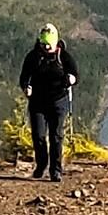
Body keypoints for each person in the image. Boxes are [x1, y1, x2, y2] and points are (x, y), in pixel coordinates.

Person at [18, 23, 77, 180]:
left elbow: (74, 73)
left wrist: (71, 79)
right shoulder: (33, 57)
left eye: (49, 45)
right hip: (38, 102)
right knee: (38, 135)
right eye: (44, 45)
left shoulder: (63, 56)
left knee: (56, 135)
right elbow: (24, 76)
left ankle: (55, 170)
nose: (47, 48)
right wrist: (26, 87)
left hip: (58, 101)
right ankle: (41, 164)